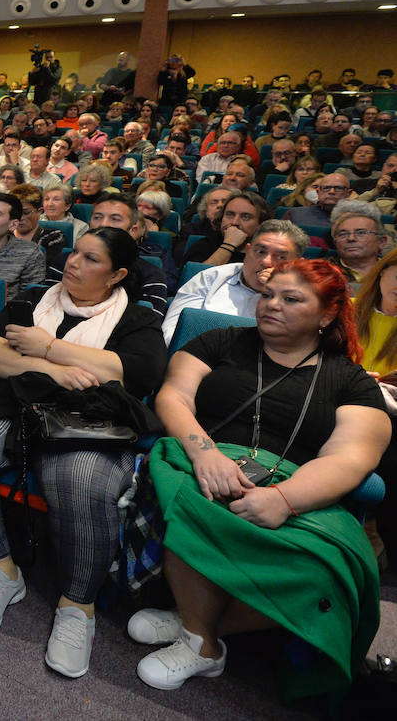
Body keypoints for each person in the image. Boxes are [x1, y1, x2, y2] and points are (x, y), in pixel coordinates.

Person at [138, 260, 388, 698]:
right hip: (203, 460)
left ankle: (191, 620)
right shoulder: (218, 341)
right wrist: (206, 455)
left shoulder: (350, 381)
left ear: (327, 314)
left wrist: (285, 500)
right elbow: (174, 396)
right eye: (268, 294)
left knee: (328, 571)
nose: (271, 304)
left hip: (297, 484)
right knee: (197, 500)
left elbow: (351, 457)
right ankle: (202, 645)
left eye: (291, 299)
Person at [0, 228, 168, 679]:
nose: (73, 262)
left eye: (90, 258)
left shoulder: (135, 320)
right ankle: (2, 568)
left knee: (81, 481)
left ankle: (76, 605)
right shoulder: (35, 296)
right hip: (19, 402)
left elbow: (131, 373)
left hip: (88, 422)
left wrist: (44, 346)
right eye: (74, 252)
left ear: (117, 274)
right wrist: (55, 369)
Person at [161, 220, 307, 341]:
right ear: (247, 251)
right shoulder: (209, 278)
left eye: (280, 257)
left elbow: (292, 347)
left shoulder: (303, 300)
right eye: (260, 252)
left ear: (297, 264)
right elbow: (171, 333)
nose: (266, 262)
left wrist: (275, 293)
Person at [329, 199, 388, 291]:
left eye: (361, 233)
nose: (351, 238)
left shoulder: (392, 270)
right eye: (343, 234)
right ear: (335, 242)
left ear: (382, 242)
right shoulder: (322, 271)